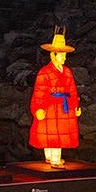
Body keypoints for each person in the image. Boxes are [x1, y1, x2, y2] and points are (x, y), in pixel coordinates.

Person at [29, 31, 80, 168]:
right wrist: (38, 108)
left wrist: (75, 106)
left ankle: (54, 158)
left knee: (59, 133)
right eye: (61, 55)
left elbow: (72, 90)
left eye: (65, 55)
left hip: (64, 106)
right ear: (53, 55)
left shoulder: (67, 71)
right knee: (52, 133)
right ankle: (53, 159)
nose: (64, 58)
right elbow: (39, 92)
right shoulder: (44, 72)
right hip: (50, 106)